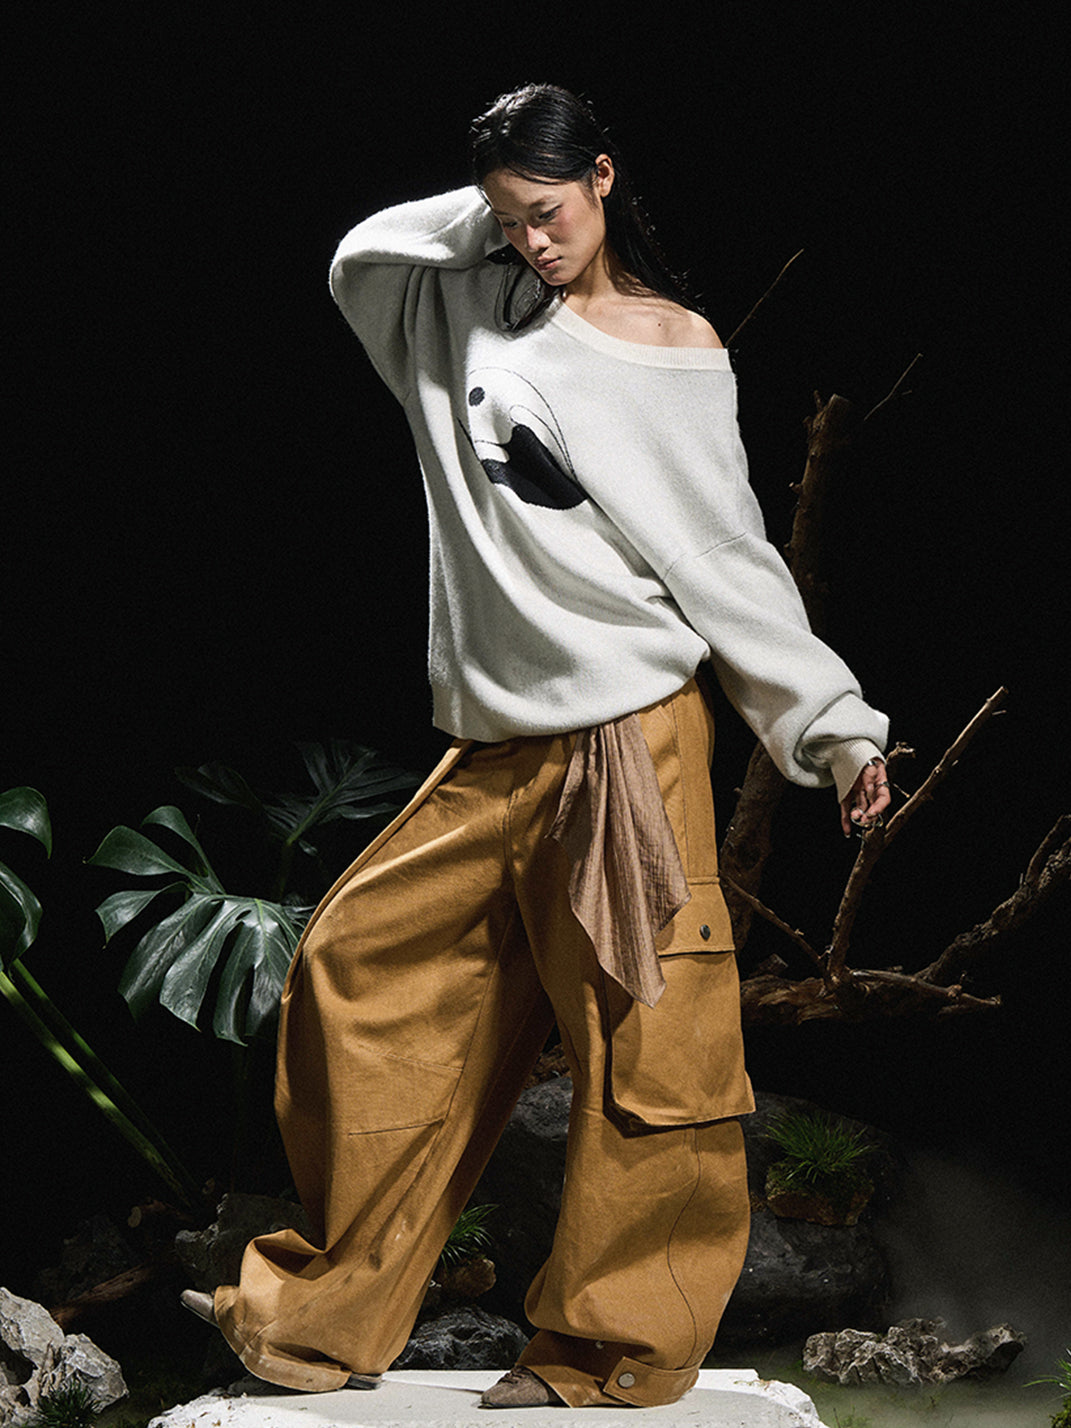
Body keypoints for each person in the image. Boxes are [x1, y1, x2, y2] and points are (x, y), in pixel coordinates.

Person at [181, 83, 890, 1410]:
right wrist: (493, 205)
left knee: (649, 1055)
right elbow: (360, 257)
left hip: (631, 747)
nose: (533, 240)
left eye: (551, 210)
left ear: (606, 178)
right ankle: (323, 1319)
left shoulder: (672, 349)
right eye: (509, 217)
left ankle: (612, 1352)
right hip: (494, 753)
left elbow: (727, 562)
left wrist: (837, 732)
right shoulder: (450, 311)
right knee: (356, 979)